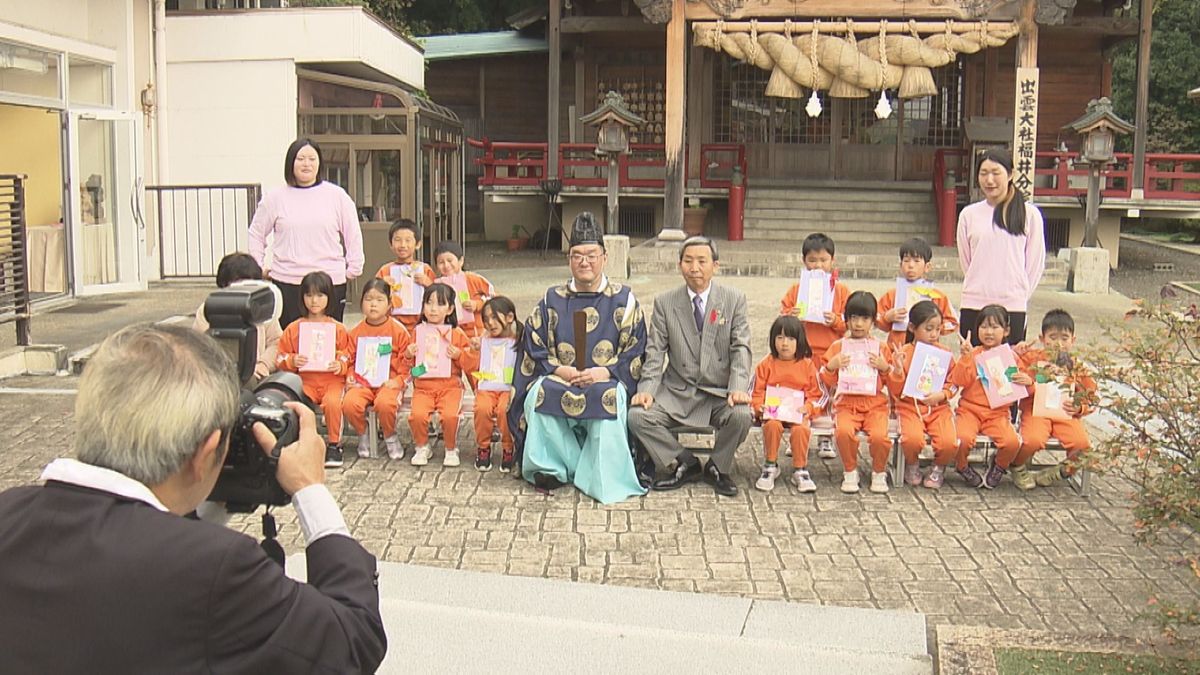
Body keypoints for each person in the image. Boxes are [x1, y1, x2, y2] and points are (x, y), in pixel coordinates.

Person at [0, 324, 386, 672]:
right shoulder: (216, 568)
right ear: (207, 451)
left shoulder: (10, 511)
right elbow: (352, 642)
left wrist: (212, 503)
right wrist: (309, 487)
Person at [508, 212, 648, 504]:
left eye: (591, 255)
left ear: (605, 257)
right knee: (538, 394)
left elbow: (636, 349)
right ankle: (552, 467)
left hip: (605, 378)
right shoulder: (551, 298)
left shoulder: (624, 299)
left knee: (609, 397)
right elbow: (532, 344)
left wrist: (605, 373)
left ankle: (602, 475)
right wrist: (559, 370)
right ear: (569, 259)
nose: (585, 261)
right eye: (577, 255)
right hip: (561, 376)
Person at [629, 235, 752, 498]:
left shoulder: (733, 299)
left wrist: (737, 387)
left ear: (715, 266)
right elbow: (655, 351)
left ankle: (718, 466)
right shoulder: (665, 302)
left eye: (701, 261)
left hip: (718, 392)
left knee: (741, 415)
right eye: (688, 261)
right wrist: (647, 389)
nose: (694, 267)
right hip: (678, 391)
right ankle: (685, 461)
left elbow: (741, 347)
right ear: (679, 264)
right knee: (638, 416)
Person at [249, 138, 364, 328]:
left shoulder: (337, 196)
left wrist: (354, 267)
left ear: (320, 162)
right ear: (290, 162)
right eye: (300, 159)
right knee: (290, 341)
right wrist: (258, 265)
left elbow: (352, 233)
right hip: (288, 281)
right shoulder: (275, 197)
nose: (306, 164)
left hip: (330, 281)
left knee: (329, 341)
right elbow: (256, 232)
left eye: (312, 158)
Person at [957, 149, 1046, 346]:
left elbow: (1034, 264)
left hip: (1012, 306)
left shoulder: (1029, 214)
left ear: (1011, 174)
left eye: (996, 173)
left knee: (1007, 371)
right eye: (983, 173)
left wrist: (1017, 294)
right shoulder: (968, 215)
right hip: (974, 303)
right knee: (972, 369)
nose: (990, 180)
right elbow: (967, 261)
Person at [948, 305, 1033, 489]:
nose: (989, 332)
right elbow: (959, 380)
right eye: (984, 327)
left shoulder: (1011, 357)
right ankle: (962, 466)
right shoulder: (973, 354)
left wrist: (1027, 380)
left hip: (998, 413)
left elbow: (1025, 381)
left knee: (1012, 442)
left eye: (995, 327)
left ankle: (1000, 466)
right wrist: (965, 358)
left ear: (1006, 331)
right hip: (970, 410)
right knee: (962, 438)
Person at [1012, 309, 1098, 489]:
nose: (1058, 344)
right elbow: (1011, 372)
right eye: (1052, 337)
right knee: (1033, 439)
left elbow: (1092, 395)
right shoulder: (1031, 358)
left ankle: (1059, 472)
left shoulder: (1076, 366)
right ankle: (1017, 465)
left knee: (1083, 446)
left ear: (1073, 340)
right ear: (1042, 338)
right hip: (1036, 412)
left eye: (1064, 338)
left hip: (1065, 414)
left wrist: (1079, 407)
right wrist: (1016, 354)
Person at [820, 291, 895, 494]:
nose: (859, 324)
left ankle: (879, 472)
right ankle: (850, 470)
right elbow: (825, 382)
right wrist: (831, 367)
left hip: (875, 405)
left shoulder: (880, 348)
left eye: (865, 318)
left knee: (880, 436)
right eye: (853, 318)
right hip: (846, 405)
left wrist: (885, 367)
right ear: (846, 320)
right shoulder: (838, 347)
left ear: (873, 321)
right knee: (844, 432)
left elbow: (895, 382)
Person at [276, 271, 352, 468]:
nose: (314, 301)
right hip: (305, 381)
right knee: (295, 403)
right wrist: (292, 361)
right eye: (309, 295)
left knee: (333, 403)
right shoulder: (294, 328)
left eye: (320, 295)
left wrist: (340, 364)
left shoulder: (338, 328)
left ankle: (335, 445)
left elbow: (348, 353)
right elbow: (280, 357)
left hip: (331, 382)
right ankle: (301, 444)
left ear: (329, 297)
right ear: (302, 298)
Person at [887, 300, 959, 490]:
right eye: (928, 329)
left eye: (937, 329)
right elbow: (895, 391)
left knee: (949, 441)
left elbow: (954, 382)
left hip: (938, 407)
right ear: (912, 327)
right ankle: (912, 464)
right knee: (912, 439)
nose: (934, 334)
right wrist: (897, 371)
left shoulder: (945, 353)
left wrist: (943, 395)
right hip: (910, 407)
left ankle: (939, 467)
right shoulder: (904, 353)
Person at [750, 315, 822, 493]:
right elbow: (755, 392)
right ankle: (770, 465)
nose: (784, 344)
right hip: (773, 411)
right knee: (772, 426)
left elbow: (818, 394)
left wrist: (809, 408)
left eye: (790, 338)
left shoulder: (807, 365)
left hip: (798, 412)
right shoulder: (766, 364)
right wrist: (759, 407)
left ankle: (800, 469)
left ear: (800, 341)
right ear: (773, 340)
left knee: (801, 429)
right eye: (780, 337)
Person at [342, 279, 413, 460]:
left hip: (388, 382)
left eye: (379, 299)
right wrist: (350, 376)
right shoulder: (355, 332)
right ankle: (363, 432)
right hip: (363, 382)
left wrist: (397, 381)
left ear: (389, 304)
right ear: (361, 303)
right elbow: (349, 360)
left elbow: (408, 364)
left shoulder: (399, 331)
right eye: (368, 299)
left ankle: (390, 435)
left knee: (385, 403)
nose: (373, 304)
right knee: (350, 402)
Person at [406, 283, 473, 468]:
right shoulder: (418, 332)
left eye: (440, 304)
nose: (433, 309)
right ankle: (422, 446)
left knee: (450, 416)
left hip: (450, 386)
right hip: (423, 388)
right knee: (417, 415)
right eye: (429, 303)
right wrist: (409, 356)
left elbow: (470, 362)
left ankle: (451, 449)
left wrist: (459, 355)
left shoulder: (456, 333)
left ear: (450, 308)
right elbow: (411, 369)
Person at [192, 252, 282, 381]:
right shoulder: (209, 309)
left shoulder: (262, 309)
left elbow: (277, 342)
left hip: (258, 375)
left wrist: (263, 364)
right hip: (222, 376)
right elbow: (200, 348)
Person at [874, 237, 959, 352]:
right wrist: (887, 318)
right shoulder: (892, 295)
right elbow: (876, 318)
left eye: (916, 261)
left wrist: (935, 327)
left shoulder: (936, 296)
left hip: (928, 350)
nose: (911, 265)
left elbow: (953, 322)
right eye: (906, 260)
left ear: (927, 267)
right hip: (896, 349)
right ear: (900, 265)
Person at [470, 296, 520, 473]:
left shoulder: (518, 341)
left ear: (509, 317)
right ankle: (483, 447)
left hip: (508, 388)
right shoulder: (483, 342)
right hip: (487, 387)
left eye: (494, 317)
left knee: (504, 409)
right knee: (482, 408)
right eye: (485, 319)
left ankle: (508, 448)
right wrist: (474, 351)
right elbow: (471, 366)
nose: (490, 323)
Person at [376, 219, 436, 332]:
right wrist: (383, 286)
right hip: (392, 322)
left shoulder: (425, 269)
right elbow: (374, 295)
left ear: (418, 244)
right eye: (398, 240)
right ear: (391, 244)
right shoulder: (385, 270)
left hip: (421, 322)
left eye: (408, 240)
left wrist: (429, 283)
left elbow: (438, 295)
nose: (403, 245)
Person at [433, 240, 496, 339]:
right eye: (441, 262)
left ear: (461, 261)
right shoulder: (437, 285)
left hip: (478, 334)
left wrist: (477, 304)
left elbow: (496, 298)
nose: (446, 265)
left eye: (450, 260)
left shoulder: (473, 279)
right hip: (450, 335)